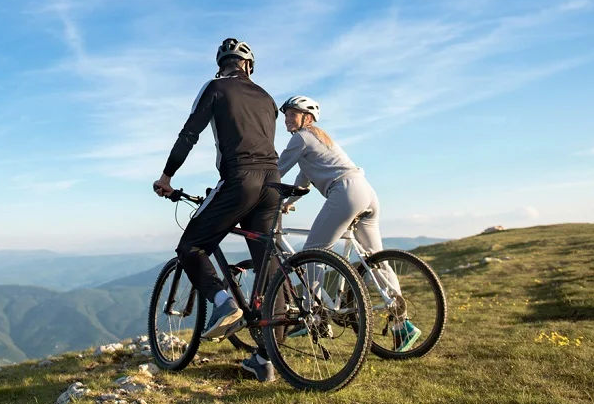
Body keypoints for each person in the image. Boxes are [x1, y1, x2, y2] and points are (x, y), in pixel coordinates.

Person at [152, 38, 281, 382]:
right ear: (249, 67)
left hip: (241, 178)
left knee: (190, 246)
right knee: (269, 270)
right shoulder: (268, 98)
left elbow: (189, 133)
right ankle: (266, 359)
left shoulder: (216, 87)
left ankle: (224, 301)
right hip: (273, 183)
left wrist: (167, 176)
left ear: (221, 65)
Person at [276, 95, 421, 352]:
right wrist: (289, 201)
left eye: (292, 113)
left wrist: (259, 191)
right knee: (376, 258)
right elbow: (302, 179)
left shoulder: (300, 138)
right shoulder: (320, 139)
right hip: (366, 192)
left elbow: (277, 171)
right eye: (286, 113)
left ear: (306, 118)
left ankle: (316, 317)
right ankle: (402, 324)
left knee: (312, 252)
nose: (287, 117)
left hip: (344, 193)